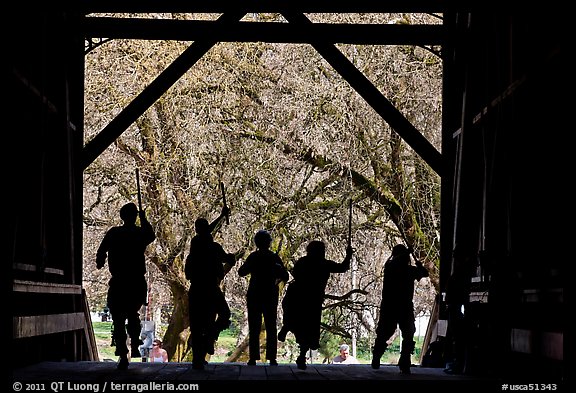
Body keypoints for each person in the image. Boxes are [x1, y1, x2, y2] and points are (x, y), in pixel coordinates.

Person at [96, 202, 156, 370]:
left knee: (118, 318)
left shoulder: (114, 233)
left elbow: (101, 251)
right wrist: (144, 220)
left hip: (119, 281)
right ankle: (134, 344)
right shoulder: (138, 233)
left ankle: (123, 352)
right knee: (133, 313)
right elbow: (151, 235)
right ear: (135, 216)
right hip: (135, 281)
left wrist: (100, 261)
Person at [278, 240, 354, 370]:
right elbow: (342, 268)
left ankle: (288, 327)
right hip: (313, 300)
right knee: (309, 328)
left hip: (297, 295)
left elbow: (295, 273)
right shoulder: (324, 264)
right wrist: (348, 256)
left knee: (295, 319)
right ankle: (301, 353)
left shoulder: (302, 261)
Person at [185, 205, 236, 370]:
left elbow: (207, 231)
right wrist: (230, 258)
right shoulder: (213, 248)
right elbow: (227, 258)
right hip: (211, 290)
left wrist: (221, 217)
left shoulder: (194, 251)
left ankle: (198, 359)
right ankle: (211, 337)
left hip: (196, 291)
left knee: (197, 324)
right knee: (224, 314)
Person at [371, 244, 429, 374]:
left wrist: (418, 264)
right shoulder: (395, 268)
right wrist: (414, 260)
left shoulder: (398, 268)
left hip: (395, 306)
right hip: (397, 306)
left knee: (405, 333)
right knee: (390, 332)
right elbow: (424, 273)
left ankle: (403, 361)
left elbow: (425, 273)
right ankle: (382, 356)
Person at [238, 230, 289, 366]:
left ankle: (253, 358)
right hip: (270, 294)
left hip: (254, 293)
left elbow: (241, 272)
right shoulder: (274, 258)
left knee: (254, 326)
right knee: (271, 326)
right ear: (269, 242)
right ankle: (272, 358)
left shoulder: (253, 257)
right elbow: (285, 275)